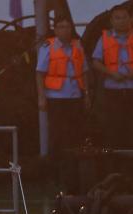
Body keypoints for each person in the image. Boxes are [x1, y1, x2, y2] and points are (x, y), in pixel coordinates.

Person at [35, 14, 89, 185]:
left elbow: (84, 71)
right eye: (61, 27)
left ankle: (72, 175)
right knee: (57, 137)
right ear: (56, 29)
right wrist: (42, 97)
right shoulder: (48, 47)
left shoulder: (77, 46)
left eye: (68, 27)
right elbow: (39, 74)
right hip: (56, 98)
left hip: (75, 96)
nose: (65, 30)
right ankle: (53, 175)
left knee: (75, 137)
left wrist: (86, 94)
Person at [91, 4, 133, 149]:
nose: (122, 21)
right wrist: (111, 73)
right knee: (114, 130)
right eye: (117, 18)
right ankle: (115, 168)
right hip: (114, 92)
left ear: (129, 19)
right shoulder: (104, 38)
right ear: (112, 21)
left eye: (124, 17)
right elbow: (95, 62)